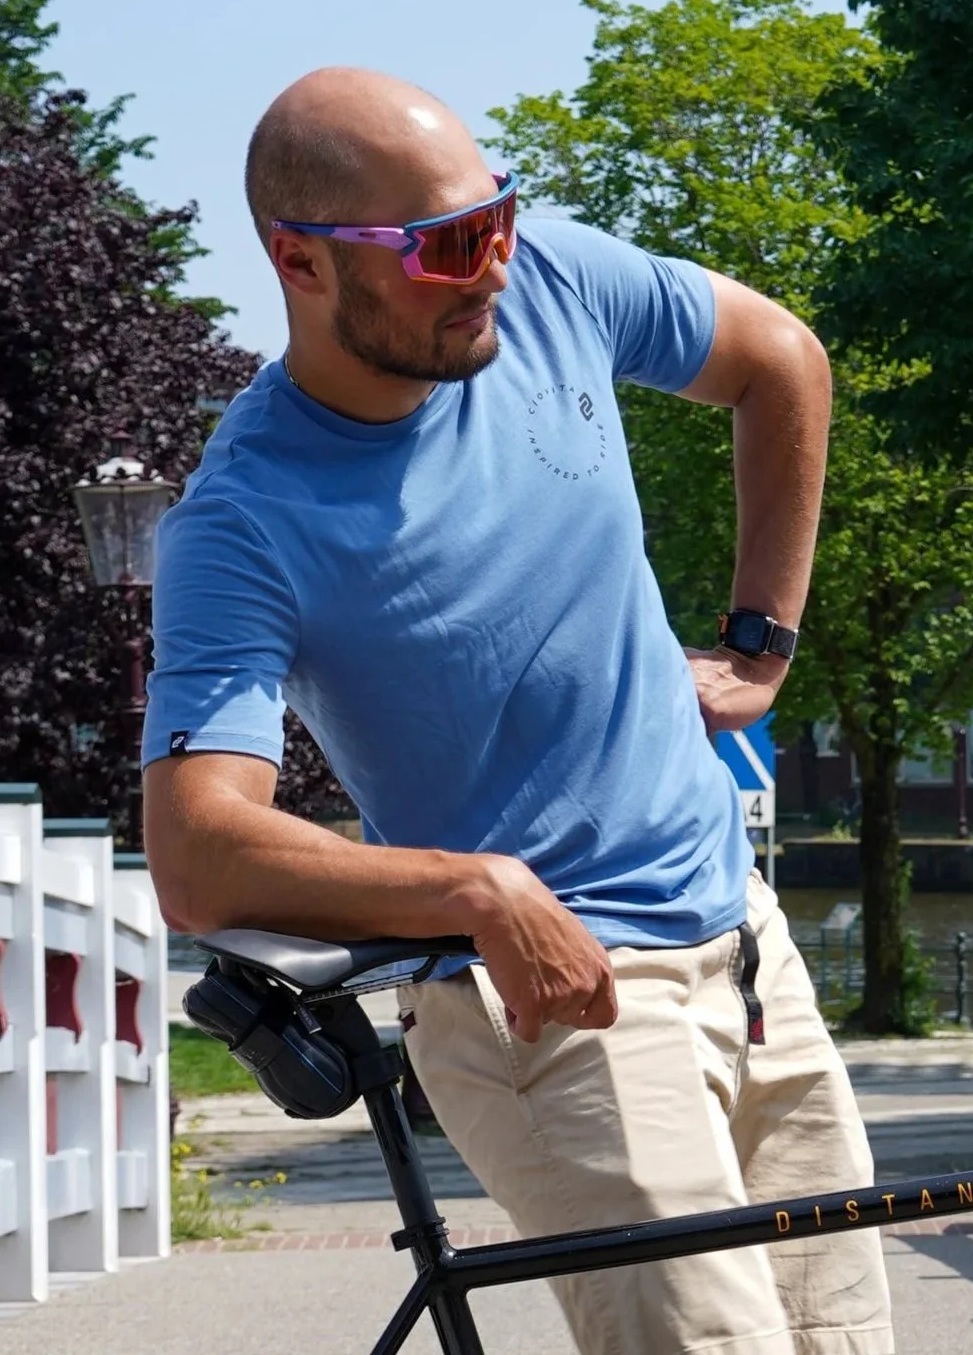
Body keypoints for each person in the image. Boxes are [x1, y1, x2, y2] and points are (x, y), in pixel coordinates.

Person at [143, 68, 893, 1355]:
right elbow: (199, 853)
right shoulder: (241, 521)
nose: (491, 263)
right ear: (300, 262)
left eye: (498, 215)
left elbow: (780, 359)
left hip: (746, 948)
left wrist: (759, 648)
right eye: (443, 245)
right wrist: (474, 888)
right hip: (556, 1013)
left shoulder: (547, 281)